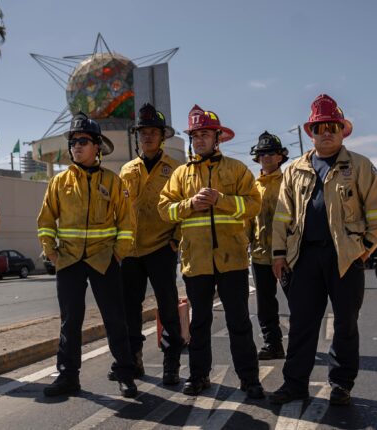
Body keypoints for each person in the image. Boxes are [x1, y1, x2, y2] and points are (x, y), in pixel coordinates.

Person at [269, 94, 377, 406]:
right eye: (320, 126)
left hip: (346, 257)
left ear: (342, 131)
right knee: (301, 325)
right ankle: (295, 384)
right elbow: (283, 214)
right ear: (311, 132)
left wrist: (364, 248)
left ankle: (341, 385)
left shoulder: (361, 166)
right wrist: (278, 253)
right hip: (305, 257)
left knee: (345, 324)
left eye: (332, 126)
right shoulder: (294, 169)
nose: (326, 132)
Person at [158, 105, 264, 399]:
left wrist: (222, 200)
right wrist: (190, 205)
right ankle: (198, 376)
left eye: (205, 134)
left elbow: (254, 204)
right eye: (195, 135)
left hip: (232, 260)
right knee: (200, 323)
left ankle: (250, 379)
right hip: (197, 261)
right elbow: (164, 210)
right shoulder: (180, 175)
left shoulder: (236, 169)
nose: (199, 140)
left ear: (218, 137)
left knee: (239, 322)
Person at [37, 112, 138, 398]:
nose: (76, 146)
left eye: (83, 141)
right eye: (73, 141)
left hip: (104, 260)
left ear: (97, 146)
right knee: (70, 321)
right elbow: (45, 220)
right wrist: (51, 252)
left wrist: (118, 253)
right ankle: (68, 377)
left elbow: (127, 223)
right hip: (68, 261)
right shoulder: (59, 182)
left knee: (115, 318)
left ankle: (125, 374)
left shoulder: (113, 181)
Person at [111, 103, 184, 386]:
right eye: (144, 132)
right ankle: (134, 360)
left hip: (161, 248)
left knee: (167, 307)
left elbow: (181, 207)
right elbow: (118, 208)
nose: (148, 137)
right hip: (130, 251)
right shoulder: (127, 169)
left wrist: (175, 241)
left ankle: (171, 363)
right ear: (137, 137)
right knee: (129, 308)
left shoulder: (175, 169)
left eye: (154, 132)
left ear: (162, 136)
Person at [246, 132, 288, 360]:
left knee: (299, 301)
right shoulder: (254, 186)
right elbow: (248, 219)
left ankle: (303, 345)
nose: (267, 158)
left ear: (280, 157)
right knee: (265, 304)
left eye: (272, 153)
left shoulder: (289, 180)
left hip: (290, 254)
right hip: (261, 254)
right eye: (262, 154)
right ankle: (273, 344)